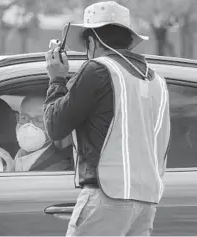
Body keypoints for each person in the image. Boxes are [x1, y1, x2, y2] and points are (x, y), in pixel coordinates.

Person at [43, 1, 171, 236]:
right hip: (147, 200)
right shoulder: (157, 81)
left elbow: (54, 126)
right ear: (128, 41)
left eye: (85, 45)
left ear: (92, 42)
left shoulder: (98, 69)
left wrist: (56, 80)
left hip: (108, 196)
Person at [0, 95, 73, 172]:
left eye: (39, 120)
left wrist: (10, 175)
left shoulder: (58, 169)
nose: (29, 125)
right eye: (24, 118)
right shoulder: (19, 153)